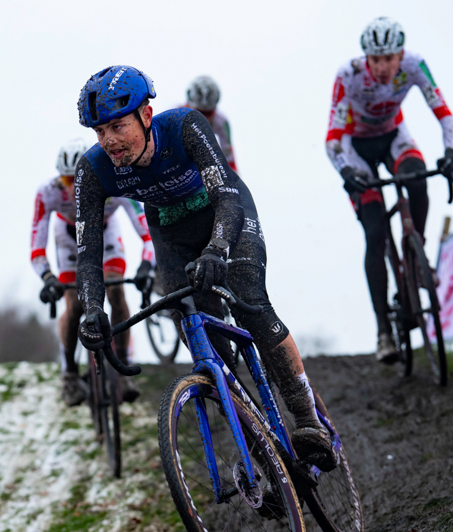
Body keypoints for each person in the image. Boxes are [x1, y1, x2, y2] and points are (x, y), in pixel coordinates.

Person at [73, 65, 337, 471]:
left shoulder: (185, 127)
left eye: (117, 126)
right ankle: (265, 458)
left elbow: (227, 197)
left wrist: (216, 249)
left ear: (146, 115)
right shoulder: (92, 169)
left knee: (251, 303)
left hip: (224, 213)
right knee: (204, 346)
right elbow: (88, 253)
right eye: (99, 131)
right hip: (171, 232)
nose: (108, 140)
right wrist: (93, 309)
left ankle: (308, 420)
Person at [325, 17, 453, 363]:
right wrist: (346, 172)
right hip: (356, 149)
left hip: (394, 137)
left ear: (401, 55)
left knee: (417, 178)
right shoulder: (349, 74)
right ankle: (383, 330)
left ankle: (417, 253)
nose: (383, 67)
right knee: (375, 234)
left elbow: (444, 114)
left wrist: (450, 155)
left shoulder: (415, 65)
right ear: (366, 58)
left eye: (389, 58)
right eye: (376, 59)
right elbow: (333, 138)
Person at [31, 139, 155, 406]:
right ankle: (69, 375)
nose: (74, 188)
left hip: (105, 234)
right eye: (67, 180)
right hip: (69, 240)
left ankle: (123, 366)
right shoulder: (47, 193)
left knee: (116, 290)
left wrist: (146, 265)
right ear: (59, 179)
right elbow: (37, 248)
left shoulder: (116, 184)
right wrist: (48, 277)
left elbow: (148, 235)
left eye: (78, 178)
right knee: (74, 305)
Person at [185, 76, 237, 171]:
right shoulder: (174, 114)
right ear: (188, 105)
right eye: (198, 112)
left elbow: (228, 156)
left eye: (208, 113)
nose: (203, 118)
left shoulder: (221, 121)